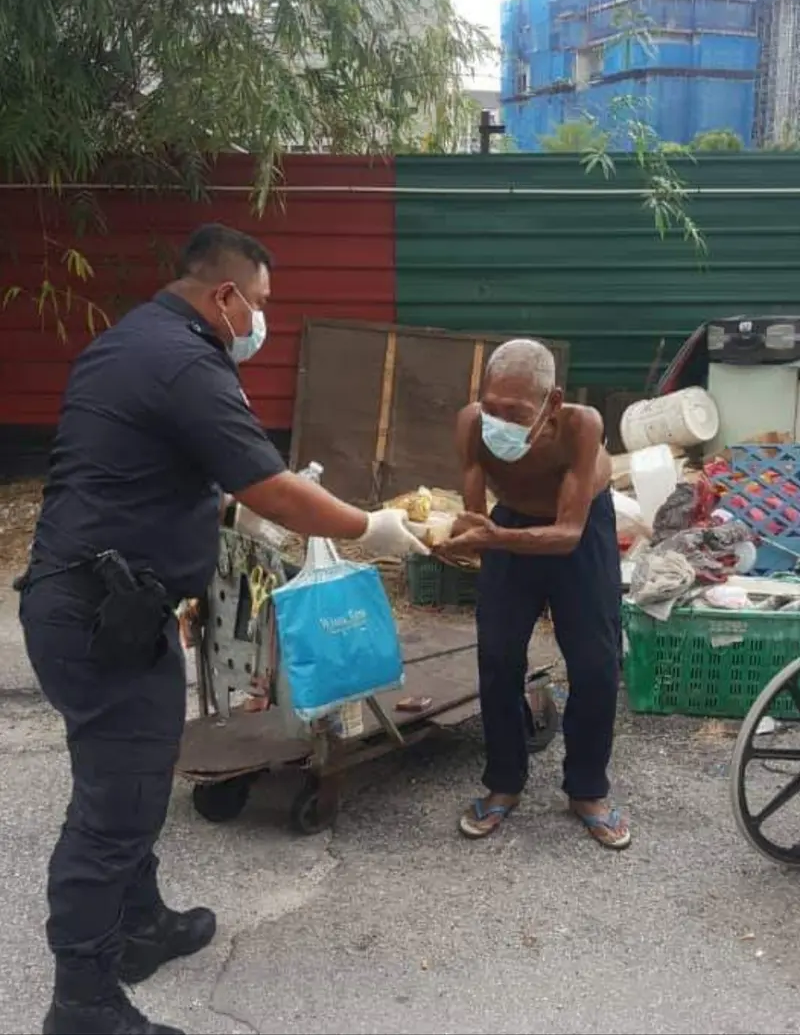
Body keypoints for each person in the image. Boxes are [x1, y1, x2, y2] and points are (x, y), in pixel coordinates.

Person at [17, 223, 425, 1035]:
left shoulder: (132, 342)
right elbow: (270, 484)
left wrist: (221, 516)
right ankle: (83, 1002)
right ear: (225, 296)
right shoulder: (183, 362)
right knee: (113, 810)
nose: (261, 323)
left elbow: (157, 470)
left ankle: (141, 925)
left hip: (110, 609)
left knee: (129, 780)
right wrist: (367, 525)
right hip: (98, 615)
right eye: (261, 305)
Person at [436, 338, 629, 851]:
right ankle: (504, 781)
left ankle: (587, 789)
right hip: (511, 523)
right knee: (497, 655)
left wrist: (492, 539)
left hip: (581, 529)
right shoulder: (473, 425)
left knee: (595, 663)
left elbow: (567, 533)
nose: (498, 419)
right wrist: (456, 541)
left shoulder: (581, 428)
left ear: (554, 402)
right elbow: (475, 517)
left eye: (515, 412)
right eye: (491, 406)